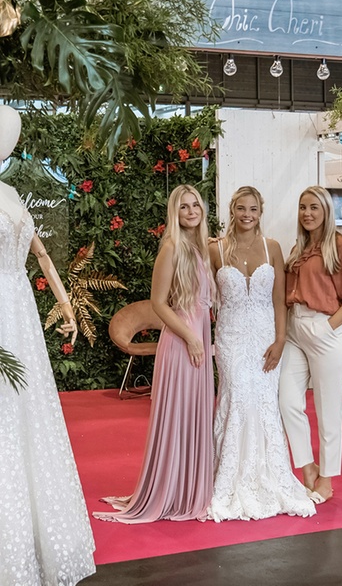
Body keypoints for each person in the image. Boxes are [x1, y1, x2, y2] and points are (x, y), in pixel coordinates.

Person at [0, 105, 96, 584]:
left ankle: (35, 536)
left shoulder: (12, 193)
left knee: (28, 409)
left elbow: (40, 255)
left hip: (18, 313)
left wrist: (65, 305)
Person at [94, 184, 215, 523]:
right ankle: (169, 491)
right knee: (178, 418)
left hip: (197, 342)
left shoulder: (200, 248)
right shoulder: (172, 248)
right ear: (174, 212)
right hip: (181, 344)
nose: (191, 211)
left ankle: (187, 489)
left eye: (195, 205)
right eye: (183, 206)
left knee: (195, 416)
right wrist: (190, 338)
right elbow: (159, 304)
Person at [208, 186, 315, 521]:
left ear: (260, 212)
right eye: (241, 208)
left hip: (266, 339)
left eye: (253, 209)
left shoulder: (273, 248)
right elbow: (203, 294)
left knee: (264, 402)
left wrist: (281, 340)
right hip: (231, 338)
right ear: (232, 210)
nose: (247, 215)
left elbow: (280, 300)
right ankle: (227, 475)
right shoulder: (216, 249)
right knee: (238, 397)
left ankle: (270, 475)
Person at [279, 186, 342, 504]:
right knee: (287, 402)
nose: (307, 213)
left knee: (328, 410)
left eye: (314, 207)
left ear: (327, 210)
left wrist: (326, 328)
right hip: (294, 330)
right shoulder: (298, 249)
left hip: (324, 330)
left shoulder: (339, 245)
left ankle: (326, 480)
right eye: (303, 207)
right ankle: (308, 468)